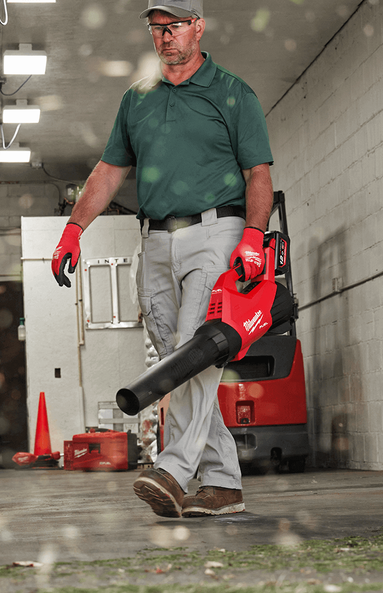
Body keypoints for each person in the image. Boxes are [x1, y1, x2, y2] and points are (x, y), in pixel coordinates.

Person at [51, 0, 274, 518]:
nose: (164, 37)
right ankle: (223, 485)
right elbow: (109, 170)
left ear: (198, 26)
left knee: (194, 350)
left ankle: (173, 470)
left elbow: (258, 172)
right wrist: (72, 229)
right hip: (153, 239)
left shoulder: (233, 93)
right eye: (156, 28)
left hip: (215, 232)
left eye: (173, 26)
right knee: (181, 365)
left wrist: (254, 237)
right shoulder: (137, 99)